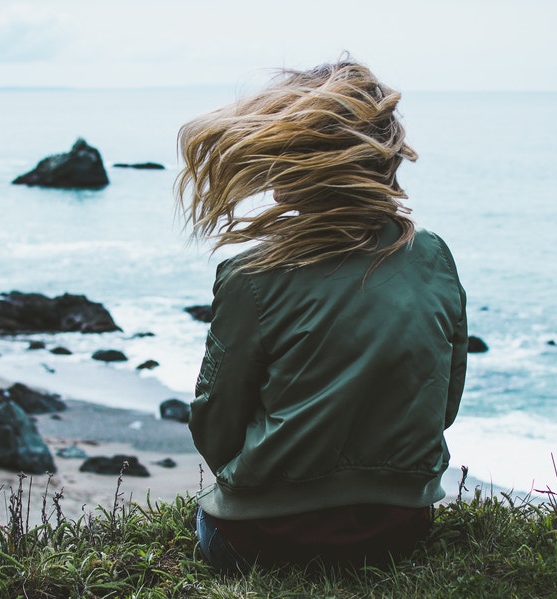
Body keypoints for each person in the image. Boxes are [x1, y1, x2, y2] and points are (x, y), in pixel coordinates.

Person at [175, 57, 468, 570]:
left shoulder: (252, 274)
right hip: (399, 529)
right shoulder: (433, 255)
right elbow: (444, 400)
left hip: (260, 539)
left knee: (209, 524)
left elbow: (216, 423)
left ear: (311, 162)